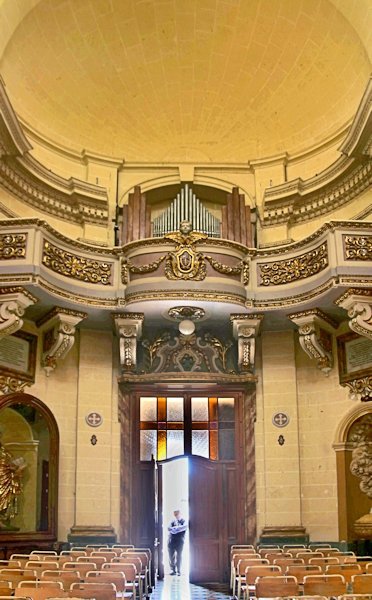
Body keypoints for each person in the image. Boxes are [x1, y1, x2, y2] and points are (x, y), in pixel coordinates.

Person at [167, 509, 187, 575]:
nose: (176, 516)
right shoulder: (172, 521)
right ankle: (173, 569)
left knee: (179, 555)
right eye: (175, 514)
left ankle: (179, 570)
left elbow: (183, 527)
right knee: (171, 555)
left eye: (177, 514)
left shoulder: (184, 521)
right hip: (171, 540)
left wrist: (175, 529)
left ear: (180, 514)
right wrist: (176, 529)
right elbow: (169, 528)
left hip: (180, 541)